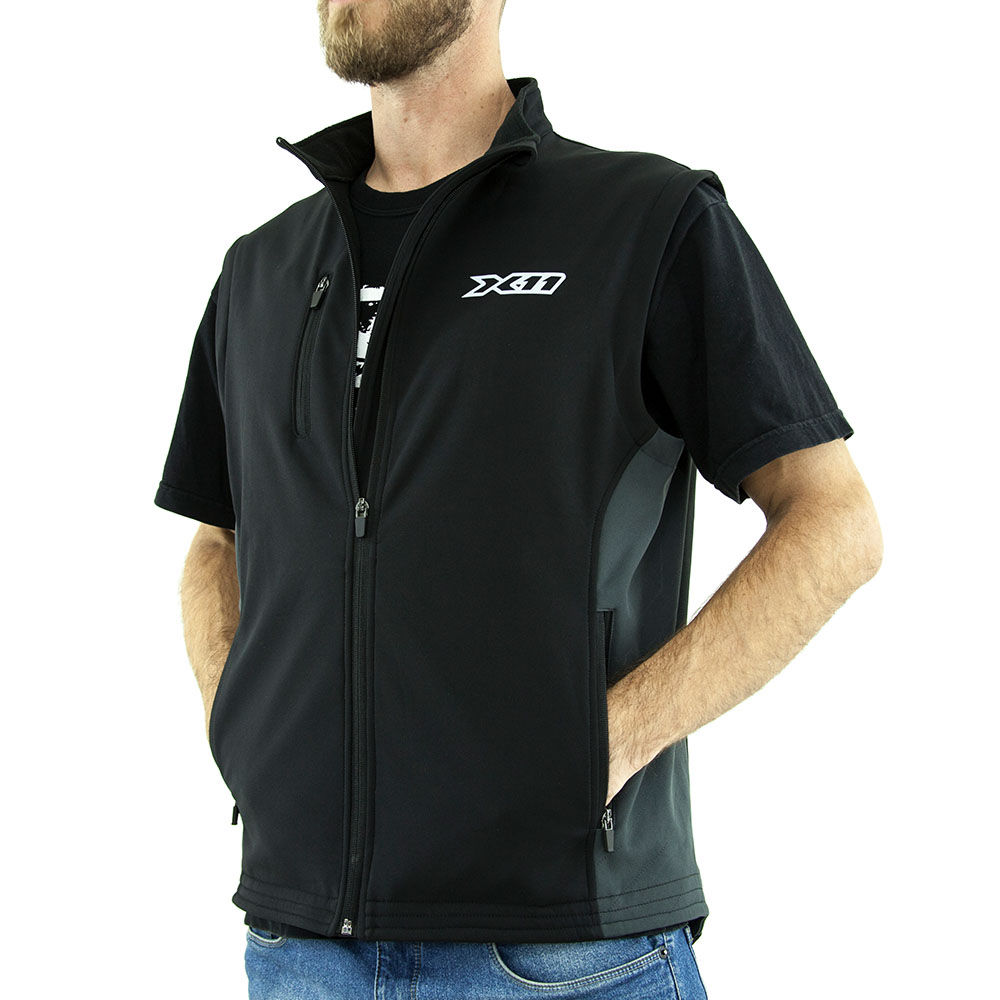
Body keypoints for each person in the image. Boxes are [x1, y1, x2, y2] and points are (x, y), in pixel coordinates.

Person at [153, 0, 883, 996]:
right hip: (300, 947)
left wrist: (612, 739)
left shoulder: (642, 220)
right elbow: (217, 536)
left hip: (565, 952)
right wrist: (240, 730)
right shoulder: (261, 269)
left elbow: (834, 519)